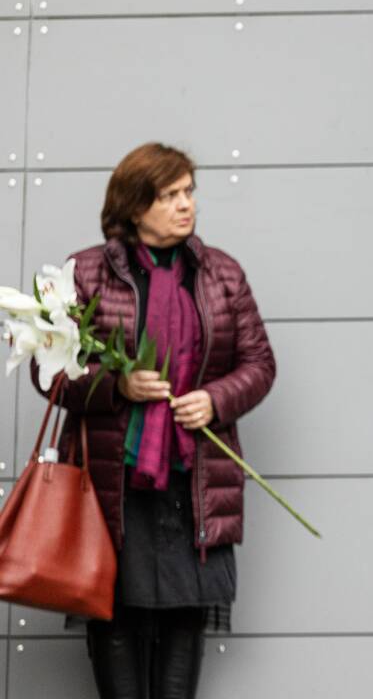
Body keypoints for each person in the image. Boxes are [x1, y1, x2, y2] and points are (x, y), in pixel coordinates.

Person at [32, 142, 275, 699]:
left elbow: (260, 364)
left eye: (189, 191)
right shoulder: (85, 273)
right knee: (114, 620)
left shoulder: (220, 273)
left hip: (194, 485)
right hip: (113, 487)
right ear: (135, 206)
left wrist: (214, 399)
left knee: (185, 624)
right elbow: (50, 373)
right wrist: (116, 385)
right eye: (169, 195)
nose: (187, 205)